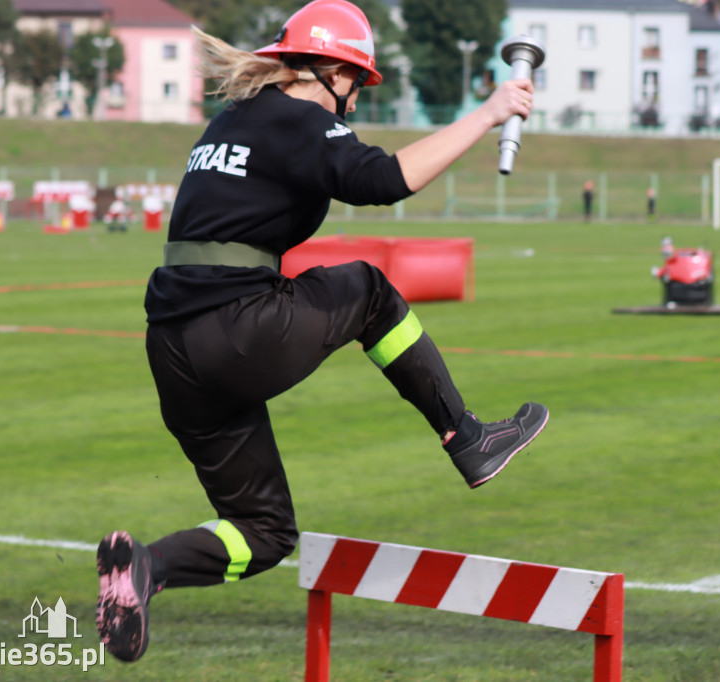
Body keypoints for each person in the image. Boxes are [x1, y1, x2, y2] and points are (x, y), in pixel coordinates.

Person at [95, 0, 549, 663]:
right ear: (329, 69)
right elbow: (388, 181)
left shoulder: (234, 120)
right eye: (357, 84)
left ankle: (146, 568)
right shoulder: (297, 118)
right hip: (235, 329)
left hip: (171, 348)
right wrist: (490, 112)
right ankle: (467, 437)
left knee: (266, 533)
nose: (356, 102)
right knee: (368, 290)